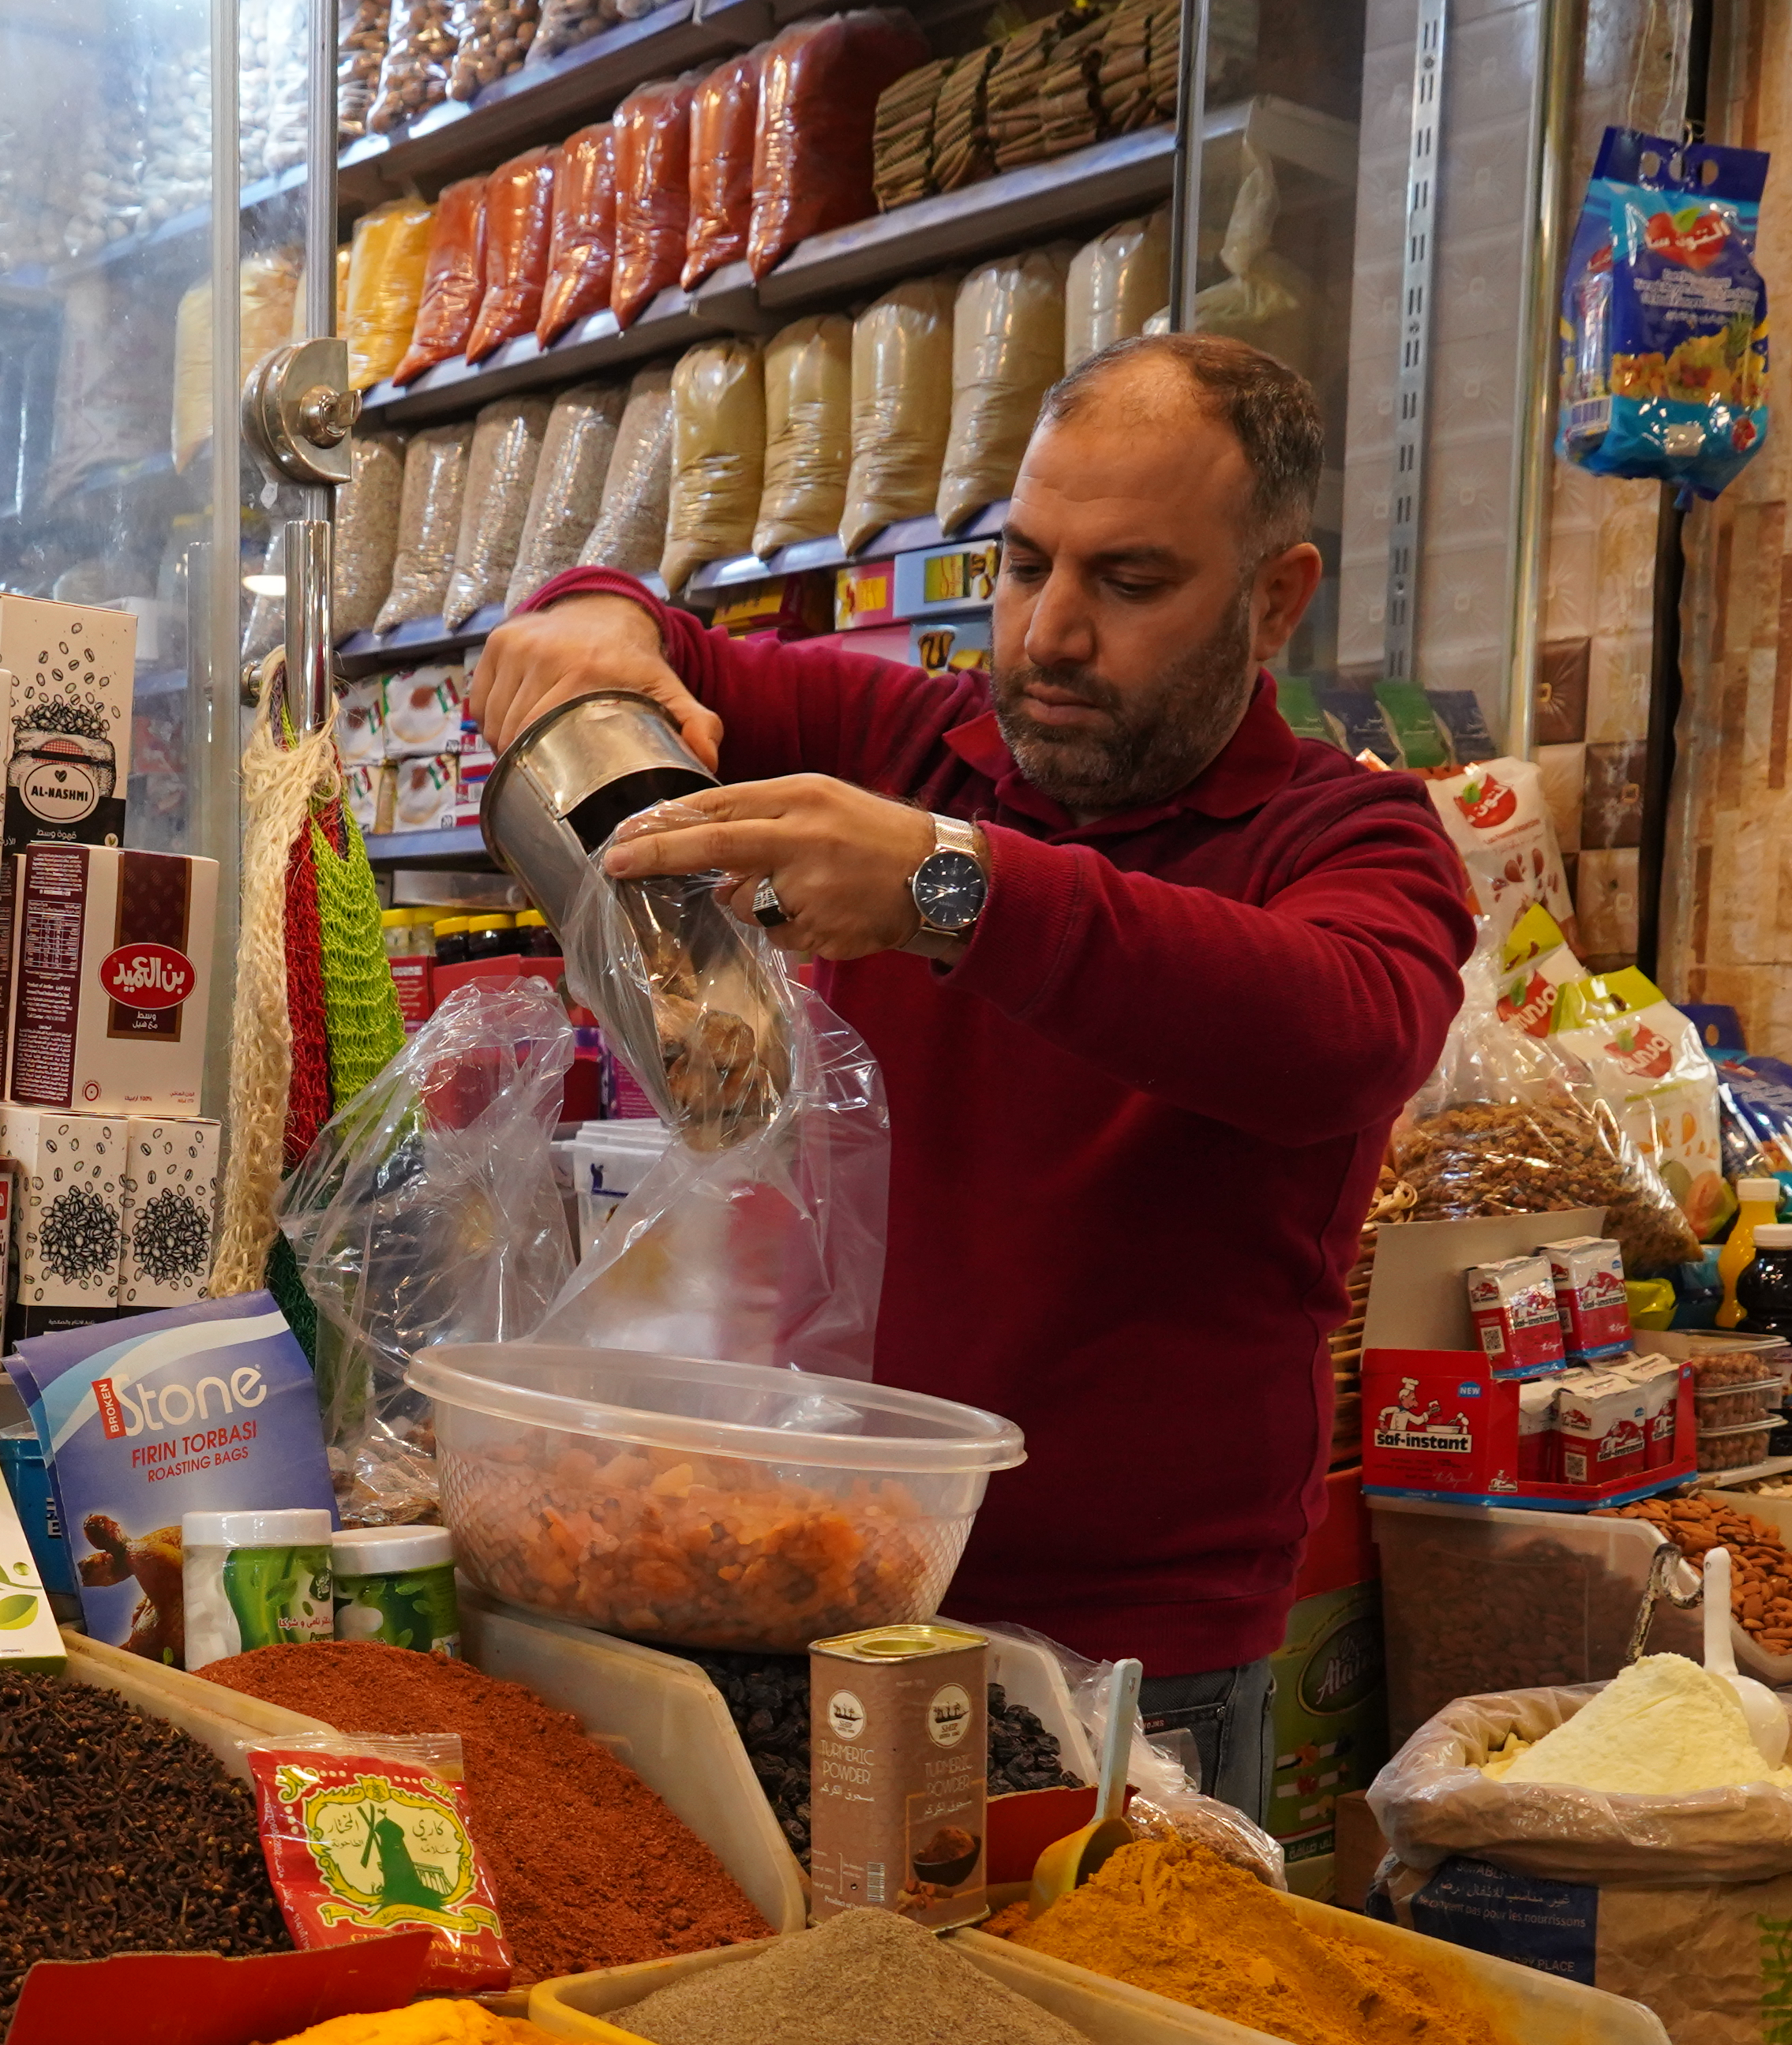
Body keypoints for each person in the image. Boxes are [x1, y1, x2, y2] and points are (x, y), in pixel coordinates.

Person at [463, 332, 1477, 1823]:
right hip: (819, 1589)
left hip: (1139, 1658)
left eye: (1129, 584)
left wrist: (954, 891)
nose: (1051, 634)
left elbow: (1341, 1029)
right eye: (1023, 566)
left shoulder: (1352, 840)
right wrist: (595, 626)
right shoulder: (909, 742)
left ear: (1275, 600)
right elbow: (648, 643)